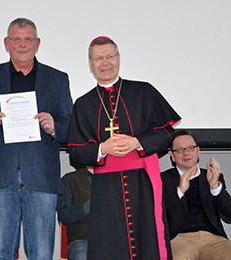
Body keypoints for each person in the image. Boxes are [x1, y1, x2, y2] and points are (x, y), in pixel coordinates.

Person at [67, 36, 181, 260]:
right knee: (111, 246)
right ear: (90, 64)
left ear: (119, 59)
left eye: (110, 56)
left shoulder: (143, 92)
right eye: (98, 58)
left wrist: (137, 142)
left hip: (142, 183)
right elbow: (75, 153)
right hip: (105, 190)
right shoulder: (83, 104)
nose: (105, 62)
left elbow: (167, 133)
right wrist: (102, 148)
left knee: (147, 240)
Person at [0, 18, 73, 259]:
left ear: (37, 43)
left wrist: (54, 127)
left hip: (41, 177)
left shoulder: (57, 79)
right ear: (7, 43)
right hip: (0, 177)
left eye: (28, 39)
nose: (22, 45)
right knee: (0, 252)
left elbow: (71, 127)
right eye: (17, 39)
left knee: (41, 253)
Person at [161, 130, 231, 260]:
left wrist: (215, 187)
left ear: (198, 151)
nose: (186, 153)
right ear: (172, 156)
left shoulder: (212, 176)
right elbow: (160, 215)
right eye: (180, 150)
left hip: (212, 238)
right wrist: (180, 192)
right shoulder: (163, 179)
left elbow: (229, 213)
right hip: (179, 239)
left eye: (190, 148)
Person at [57, 166, 94, 260]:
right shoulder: (70, 179)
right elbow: (64, 216)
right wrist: (88, 207)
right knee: (81, 251)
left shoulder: (114, 179)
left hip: (112, 240)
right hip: (82, 239)